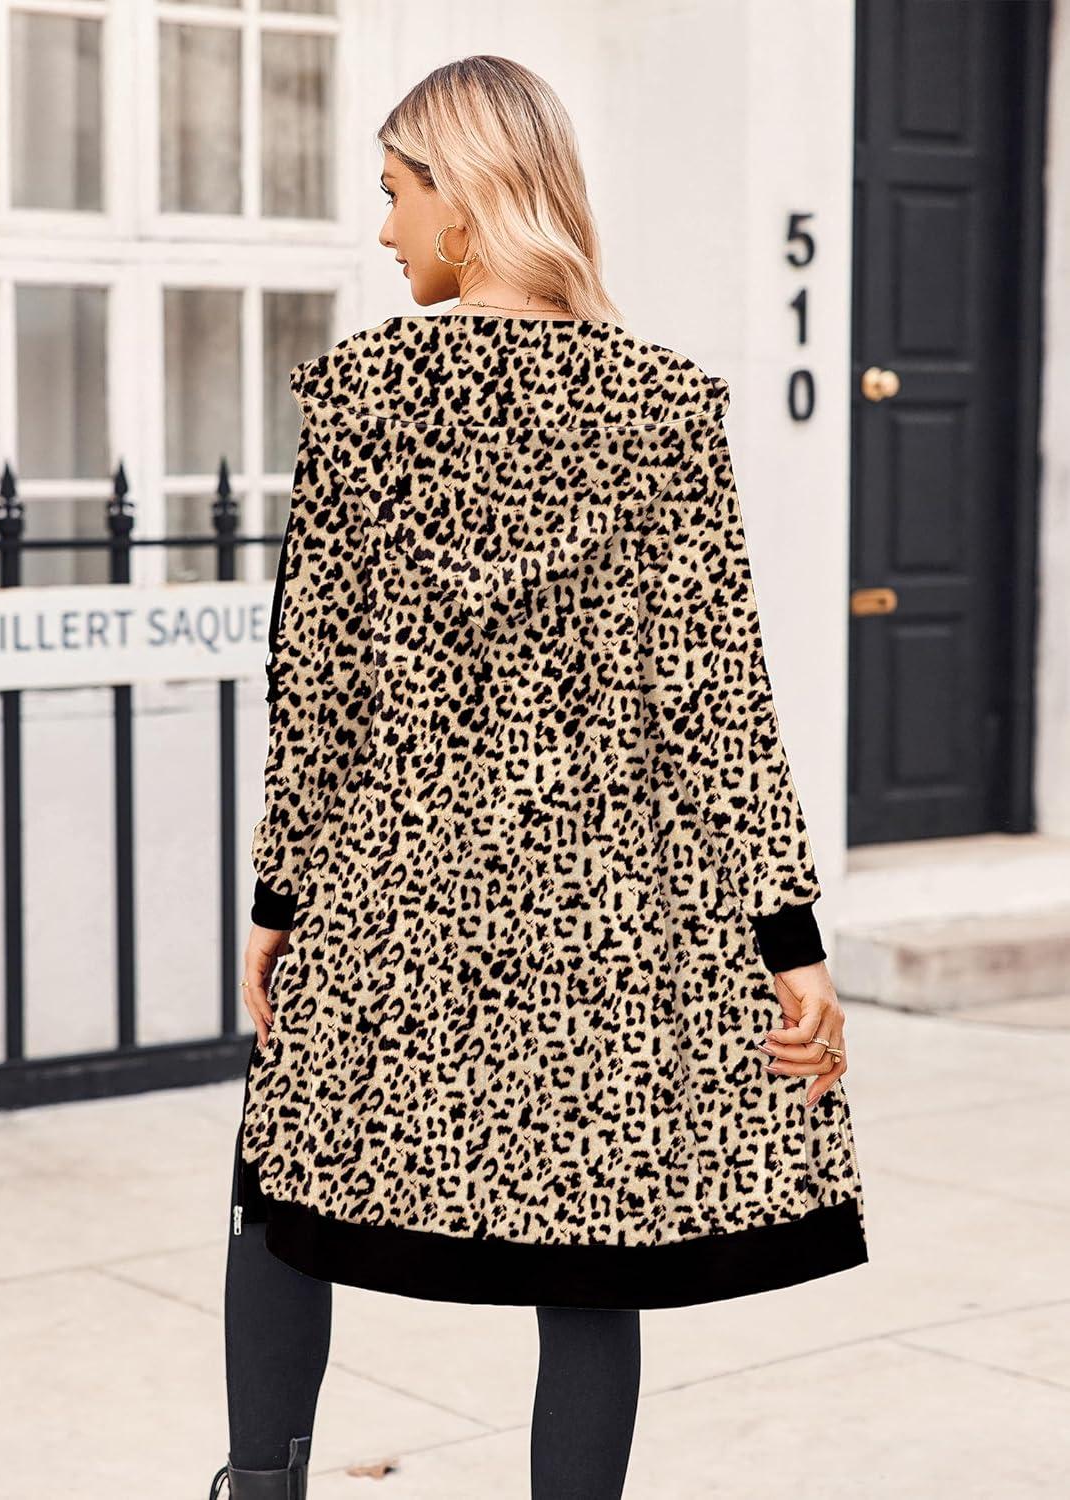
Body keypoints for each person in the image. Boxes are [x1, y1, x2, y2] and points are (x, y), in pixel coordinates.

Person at [210, 54, 867, 1500]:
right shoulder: (659, 406)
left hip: (391, 887)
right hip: (601, 906)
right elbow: (714, 697)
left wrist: (277, 899)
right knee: (591, 1255)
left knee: (283, 1189)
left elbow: (316, 689)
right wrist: (788, 939)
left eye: (396, 192)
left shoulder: (360, 398)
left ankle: (261, 1486)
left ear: (463, 194)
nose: (386, 229)